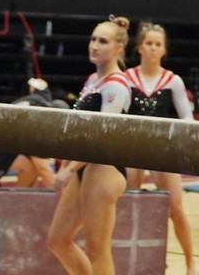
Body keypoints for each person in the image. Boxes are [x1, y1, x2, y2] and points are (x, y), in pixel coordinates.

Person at [47, 16, 132, 275]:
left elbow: (100, 138)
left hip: (104, 168)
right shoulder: (92, 80)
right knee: (58, 241)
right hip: (84, 165)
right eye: (93, 39)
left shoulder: (116, 86)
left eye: (103, 41)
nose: (95, 45)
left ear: (118, 48)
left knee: (98, 249)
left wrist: (69, 169)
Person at [123, 22, 195, 274]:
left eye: (158, 44)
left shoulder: (172, 80)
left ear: (164, 50)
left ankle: (190, 263)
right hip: (132, 147)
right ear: (140, 47)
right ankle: (134, 259)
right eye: (149, 44)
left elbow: (187, 117)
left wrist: (178, 142)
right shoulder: (127, 78)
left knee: (176, 209)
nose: (153, 48)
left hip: (162, 149)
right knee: (130, 205)